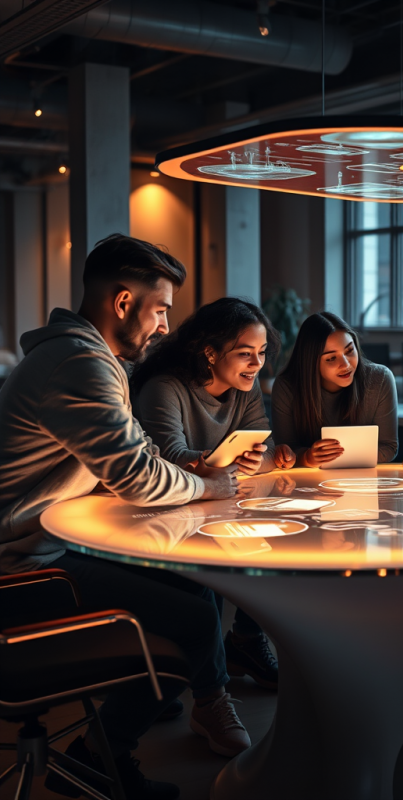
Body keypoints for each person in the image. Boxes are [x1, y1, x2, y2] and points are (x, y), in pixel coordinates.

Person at [0, 234, 244, 800]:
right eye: (160, 310)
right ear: (123, 302)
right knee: (195, 624)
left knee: (190, 579)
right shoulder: (79, 363)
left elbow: (134, 452)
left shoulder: (84, 356)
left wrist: (186, 469)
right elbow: (134, 478)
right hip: (22, 570)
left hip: (40, 545)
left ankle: (163, 693)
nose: (165, 326)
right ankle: (98, 756)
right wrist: (207, 487)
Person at [132, 297, 296, 696]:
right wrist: (229, 463)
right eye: (245, 353)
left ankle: (243, 643)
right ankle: (200, 687)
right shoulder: (165, 388)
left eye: (261, 353)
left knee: (277, 542)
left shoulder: (245, 389)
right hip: (161, 513)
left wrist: (256, 459)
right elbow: (170, 459)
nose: (256, 364)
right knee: (210, 579)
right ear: (210, 352)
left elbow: (265, 449)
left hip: (217, 503)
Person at [271, 311, 398, 466]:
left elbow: (389, 447)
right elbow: (284, 451)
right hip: (307, 478)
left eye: (349, 351)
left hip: (364, 477)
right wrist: (307, 458)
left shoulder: (380, 378)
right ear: (310, 362)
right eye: (331, 358)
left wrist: (334, 457)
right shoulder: (286, 386)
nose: (346, 364)